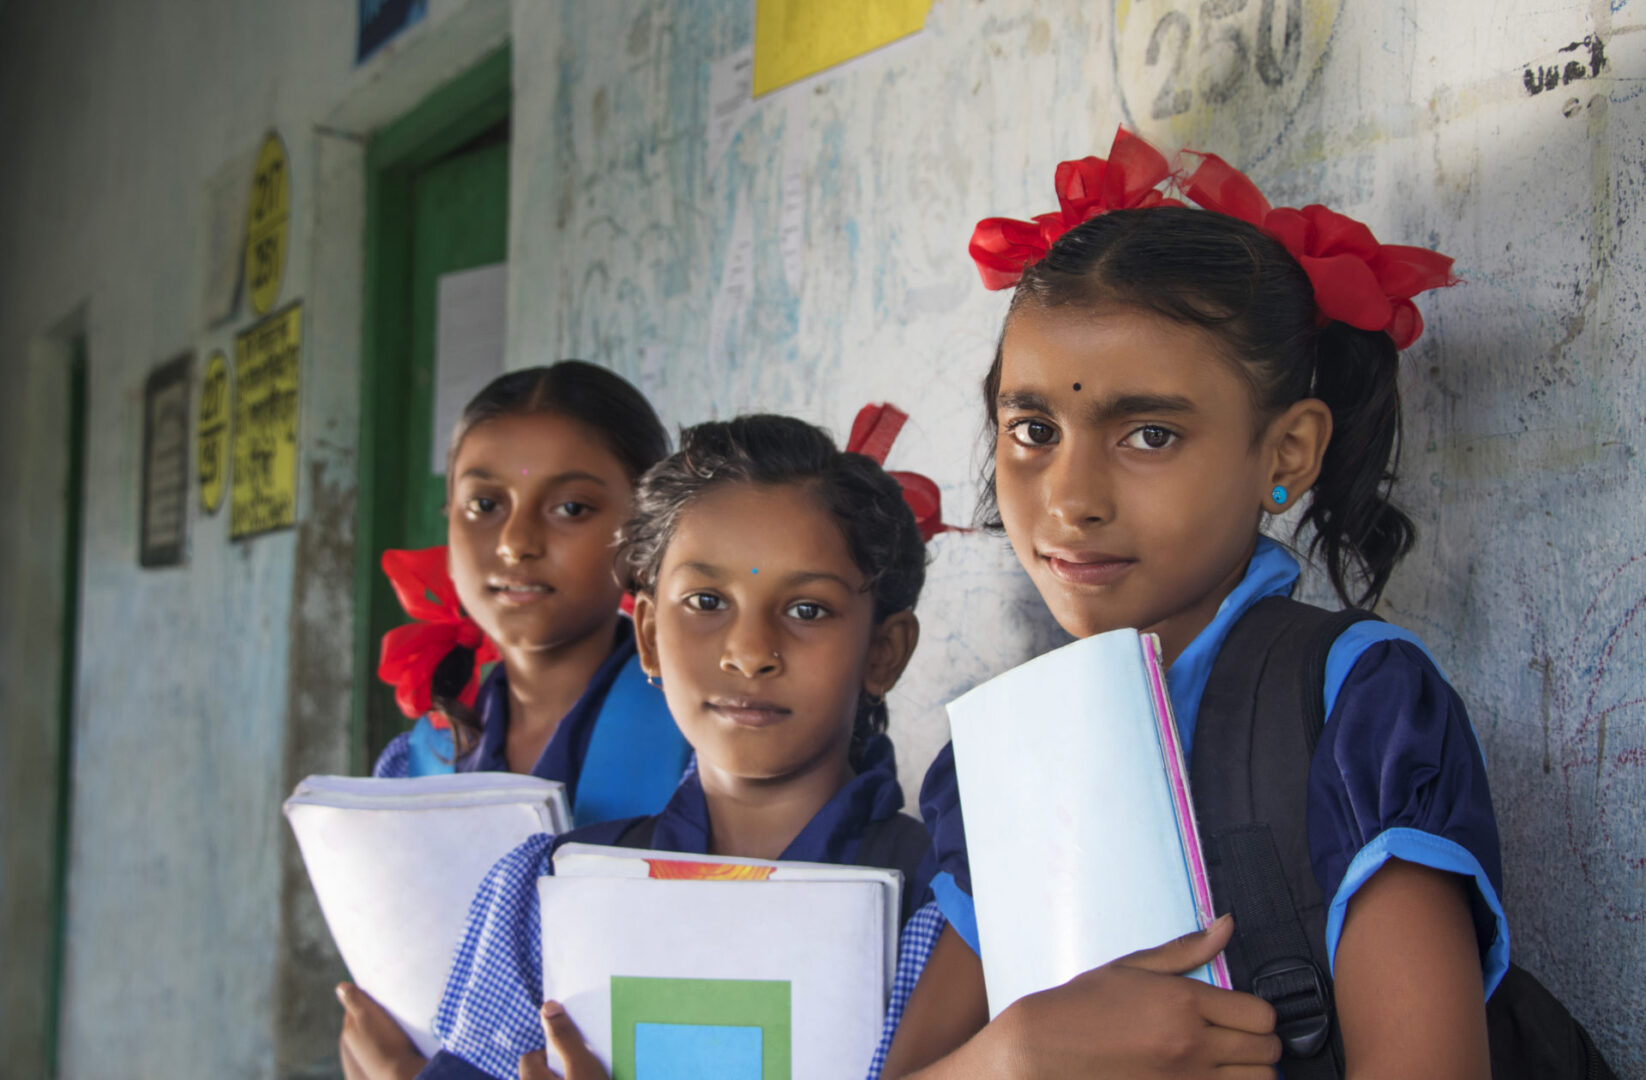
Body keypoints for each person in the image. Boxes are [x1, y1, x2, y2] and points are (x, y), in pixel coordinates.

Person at [882, 130, 1503, 1078]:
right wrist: (1013, 1058)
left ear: (1286, 453)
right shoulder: (1009, 755)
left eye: (1151, 433)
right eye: (1033, 428)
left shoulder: (1353, 707)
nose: (1071, 497)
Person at [380, 413, 937, 1080]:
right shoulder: (543, 895)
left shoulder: (944, 909)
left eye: (807, 610)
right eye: (706, 601)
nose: (750, 653)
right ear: (647, 635)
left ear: (883, 651)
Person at [340, 362, 693, 1078]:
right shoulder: (412, 769)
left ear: (645, 531)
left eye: (570, 509)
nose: (515, 543)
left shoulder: (704, 743)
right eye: (485, 504)